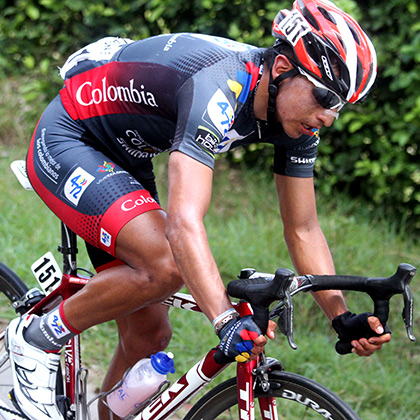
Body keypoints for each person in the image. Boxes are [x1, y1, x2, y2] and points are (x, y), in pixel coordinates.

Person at [6, 1, 391, 419]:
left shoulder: (299, 120)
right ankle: (35, 339)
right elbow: (184, 223)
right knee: (167, 265)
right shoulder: (220, 85)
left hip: (126, 155)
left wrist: (340, 316)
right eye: (324, 97)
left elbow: (303, 229)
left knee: (149, 335)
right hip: (72, 137)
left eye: (339, 107)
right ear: (282, 68)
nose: (329, 118)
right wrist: (224, 319)